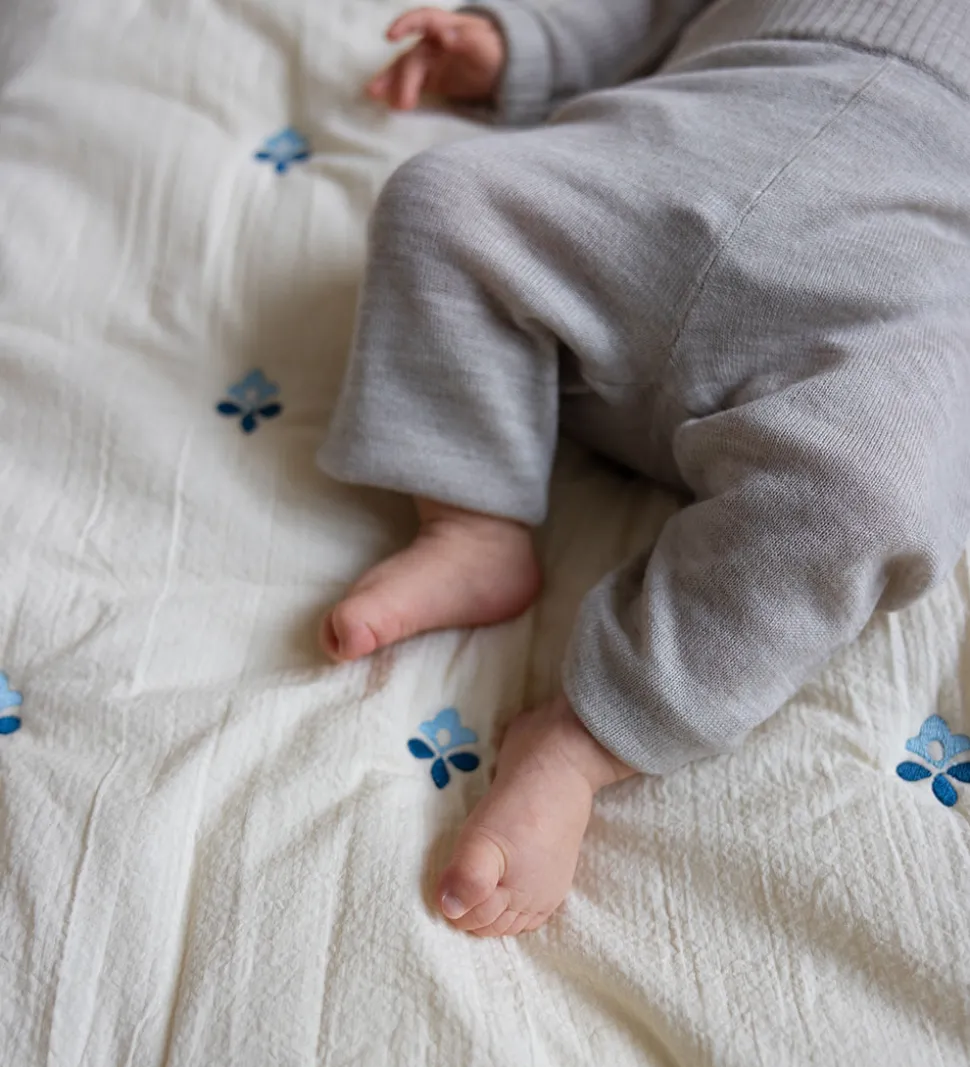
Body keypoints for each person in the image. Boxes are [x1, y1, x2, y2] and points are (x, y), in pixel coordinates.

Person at [318, 0, 970, 937]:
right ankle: (471, 520)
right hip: (673, 155)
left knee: (873, 491)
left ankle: (583, 739)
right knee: (441, 200)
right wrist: (518, 50)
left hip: (899, 265)